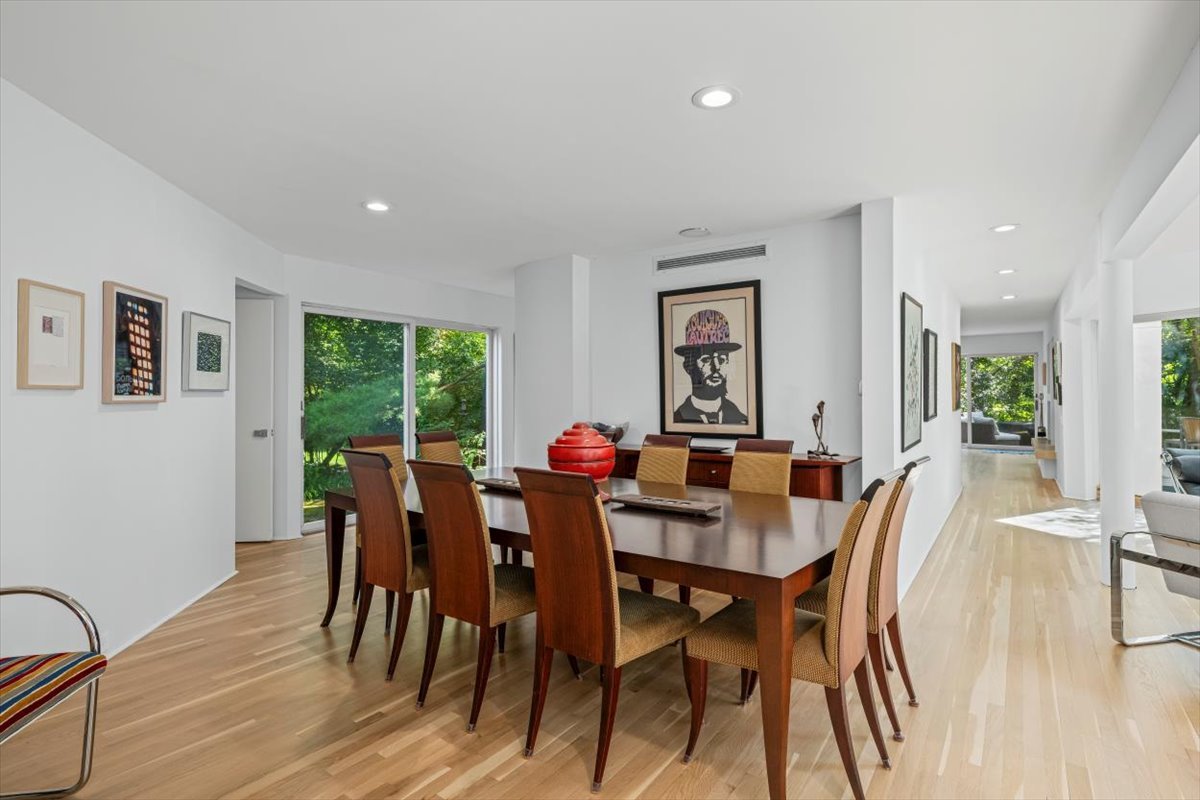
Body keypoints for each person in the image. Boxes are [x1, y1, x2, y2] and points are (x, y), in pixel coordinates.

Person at [673, 309, 748, 425]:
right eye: (706, 360)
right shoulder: (678, 418)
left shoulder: (740, 419)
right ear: (688, 366)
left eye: (722, 360)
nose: (716, 368)